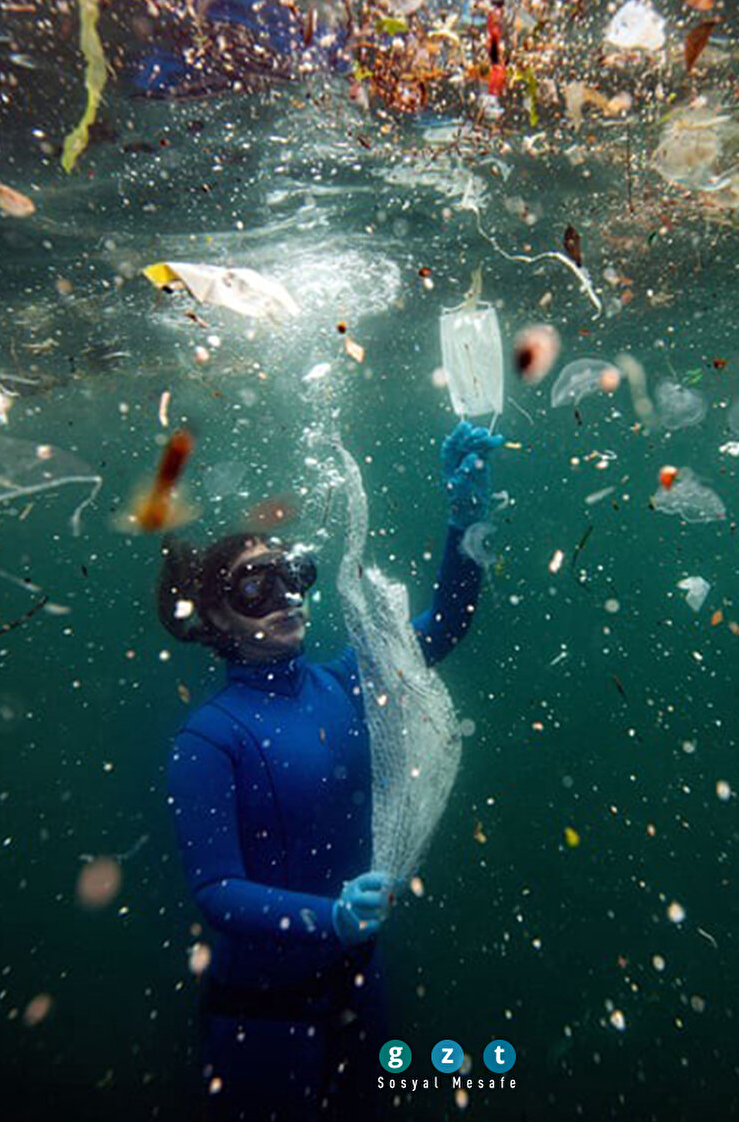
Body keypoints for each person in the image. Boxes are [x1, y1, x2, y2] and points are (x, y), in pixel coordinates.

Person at [158, 421, 503, 1121]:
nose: (286, 596)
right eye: (255, 587)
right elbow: (218, 890)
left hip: (357, 996)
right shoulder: (208, 740)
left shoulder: (344, 682)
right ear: (214, 617)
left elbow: (442, 627)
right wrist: (331, 918)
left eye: (293, 575)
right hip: (262, 1025)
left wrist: (464, 524)